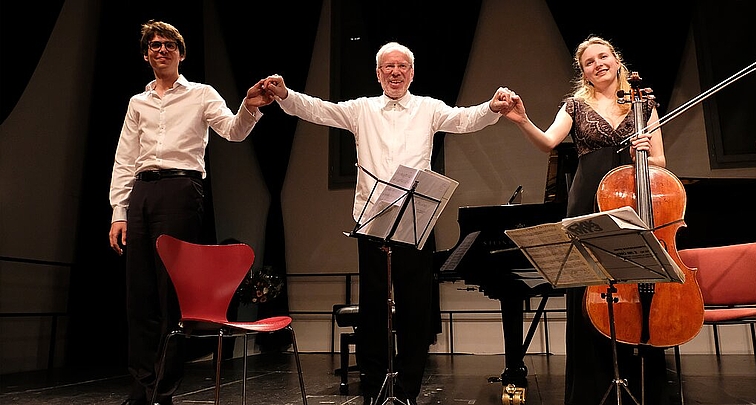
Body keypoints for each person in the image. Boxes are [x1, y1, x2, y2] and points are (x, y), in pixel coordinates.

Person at [261, 41, 515, 405]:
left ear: (411, 72)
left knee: (415, 309)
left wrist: (491, 108)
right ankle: (374, 387)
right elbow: (319, 110)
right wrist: (286, 95)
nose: (395, 73)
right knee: (375, 307)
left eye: (402, 67)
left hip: (416, 220)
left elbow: (462, 119)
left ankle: (408, 388)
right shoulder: (361, 110)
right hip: (373, 222)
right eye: (388, 67)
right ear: (378, 73)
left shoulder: (428, 108)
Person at [108, 20, 273, 405]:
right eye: (154, 45)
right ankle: (141, 383)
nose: (161, 50)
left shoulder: (201, 94)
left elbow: (233, 131)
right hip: (142, 192)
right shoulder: (138, 102)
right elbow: (124, 159)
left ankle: (163, 387)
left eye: (168, 45)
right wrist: (119, 210)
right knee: (139, 293)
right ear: (146, 54)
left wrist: (248, 107)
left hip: (181, 190)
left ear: (181, 53)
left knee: (170, 293)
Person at [500, 36, 671, 404]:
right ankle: (592, 390)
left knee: (634, 286)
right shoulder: (576, 106)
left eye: (603, 57)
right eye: (589, 62)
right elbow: (548, 142)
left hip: (632, 199)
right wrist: (522, 120)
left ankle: (641, 384)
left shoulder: (644, 105)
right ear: (584, 73)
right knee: (589, 294)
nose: (598, 64)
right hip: (588, 201)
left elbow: (660, 161)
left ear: (616, 59)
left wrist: (645, 153)